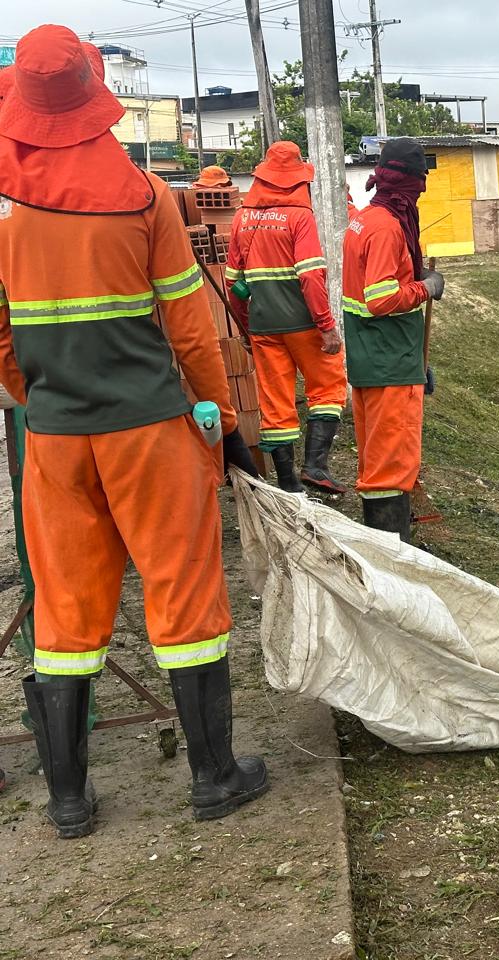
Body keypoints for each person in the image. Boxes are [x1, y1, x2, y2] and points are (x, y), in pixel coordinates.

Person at [0, 25, 266, 838]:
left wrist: (41, 397)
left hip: (55, 438)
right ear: (95, 96)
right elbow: (190, 329)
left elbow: (1, 341)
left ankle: (68, 801)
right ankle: (214, 777)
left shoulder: (6, 212)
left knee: (65, 612)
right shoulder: (143, 195)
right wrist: (219, 419)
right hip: (150, 430)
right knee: (183, 594)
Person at [226, 141, 347, 495]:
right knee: (327, 387)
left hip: (263, 326)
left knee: (275, 403)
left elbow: (233, 283)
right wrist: (326, 326)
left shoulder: (242, 218)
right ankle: (315, 466)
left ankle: (289, 485)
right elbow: (310, 276)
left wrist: (246, 328)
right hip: (304, 324)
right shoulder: (299, 216)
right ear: (297, 180)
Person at [343, 138, 445, 542]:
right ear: (410, 183)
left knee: (375, 457)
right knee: (392, 461)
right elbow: (381, 298)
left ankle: (385, 542)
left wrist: (417, 363)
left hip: (375, 358)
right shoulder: (387, 228)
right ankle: (391, 546)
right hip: (389, 362)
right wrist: (426, 288)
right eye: (419, 186)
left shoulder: (365, 219)